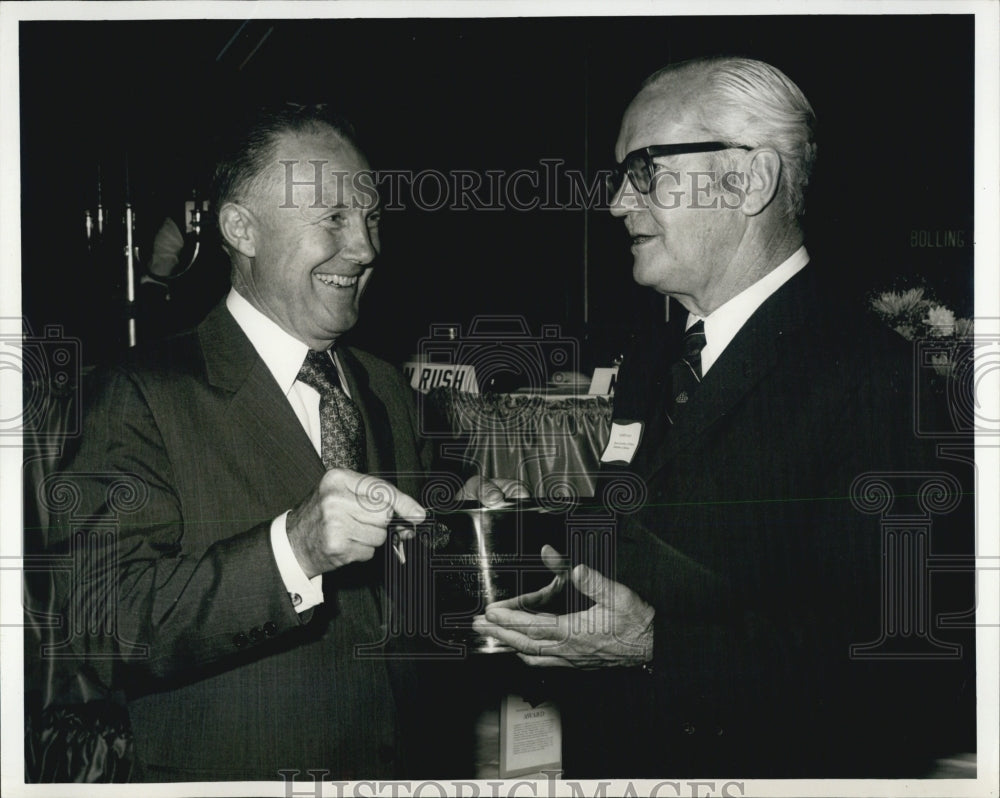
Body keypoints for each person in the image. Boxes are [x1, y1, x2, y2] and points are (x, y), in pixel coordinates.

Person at [475, 56, 974, 776]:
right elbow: (662, 538)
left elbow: (900, 671)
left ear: (751, 180)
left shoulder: (874, 381)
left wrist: (654, 645)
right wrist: (529, 534)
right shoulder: (655, 362)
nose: (617, 202)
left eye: (644, 170)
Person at [41, 104, 437, 781]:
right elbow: (101, 627)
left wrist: (466, 521)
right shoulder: (136, 393)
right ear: (240, 228)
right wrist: (295, 549)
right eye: (333, 218)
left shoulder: (385, 388)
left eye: (371, 218)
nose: (366, 247)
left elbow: (409, 590)